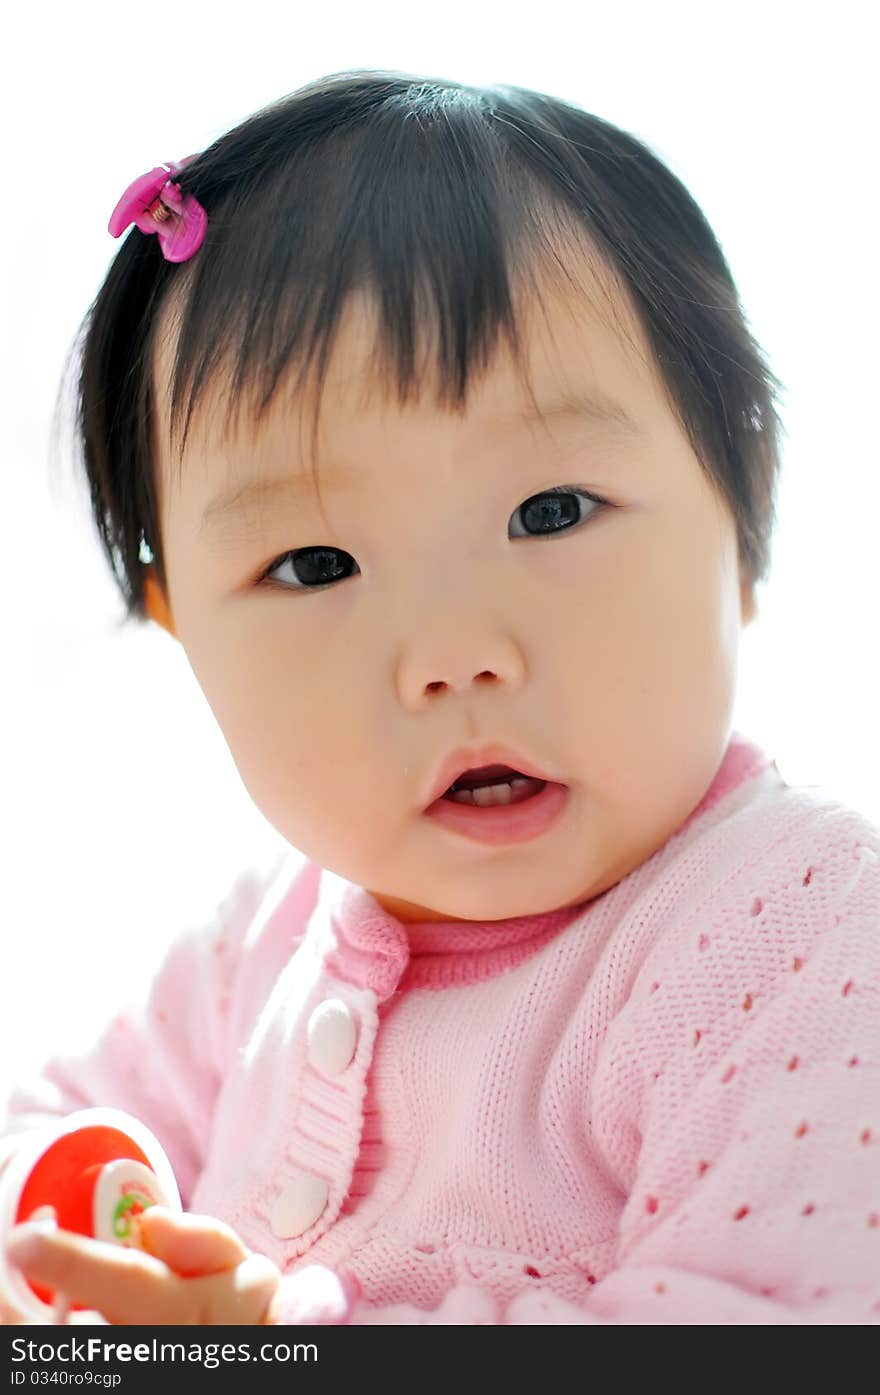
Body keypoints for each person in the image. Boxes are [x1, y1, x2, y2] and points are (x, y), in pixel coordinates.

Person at [2, 68, 878, 1326]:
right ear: (187, 639)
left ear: (744, 527)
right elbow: (44, 1133)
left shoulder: (802, 936)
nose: (453, 655)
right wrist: (78, 1217)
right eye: (314, 564)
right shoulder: (259, 952)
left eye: (551, 512)